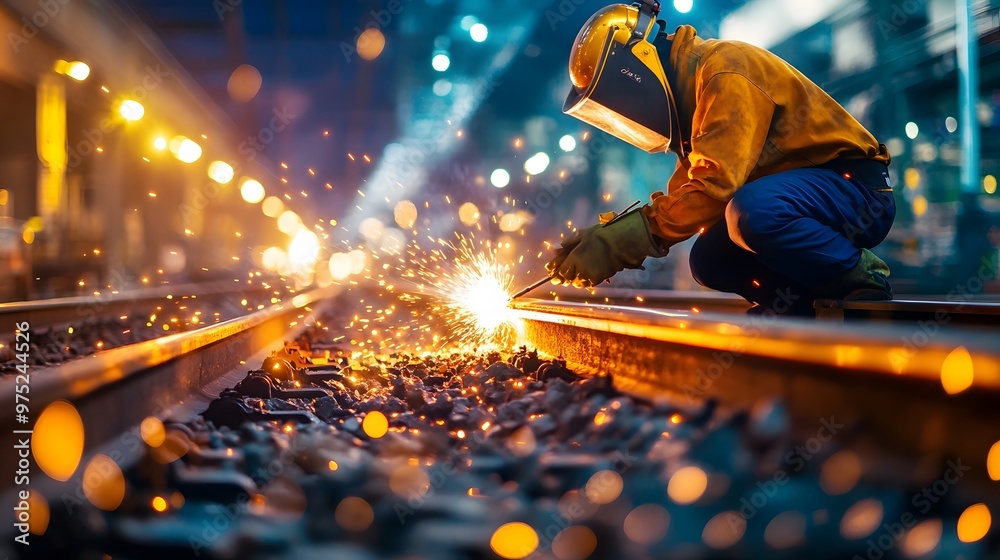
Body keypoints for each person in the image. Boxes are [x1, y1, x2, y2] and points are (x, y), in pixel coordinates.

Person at [546, 0, 896, 315]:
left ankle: (860, 277)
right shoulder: (694, 102)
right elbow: (689, 196)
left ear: (639, 64)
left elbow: (714, 187)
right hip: (807, 199)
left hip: (855, 193)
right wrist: (609, 236)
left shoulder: (724, 71)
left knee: (753, 211)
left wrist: (619, 244)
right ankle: (797, 305)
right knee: (710, 257)